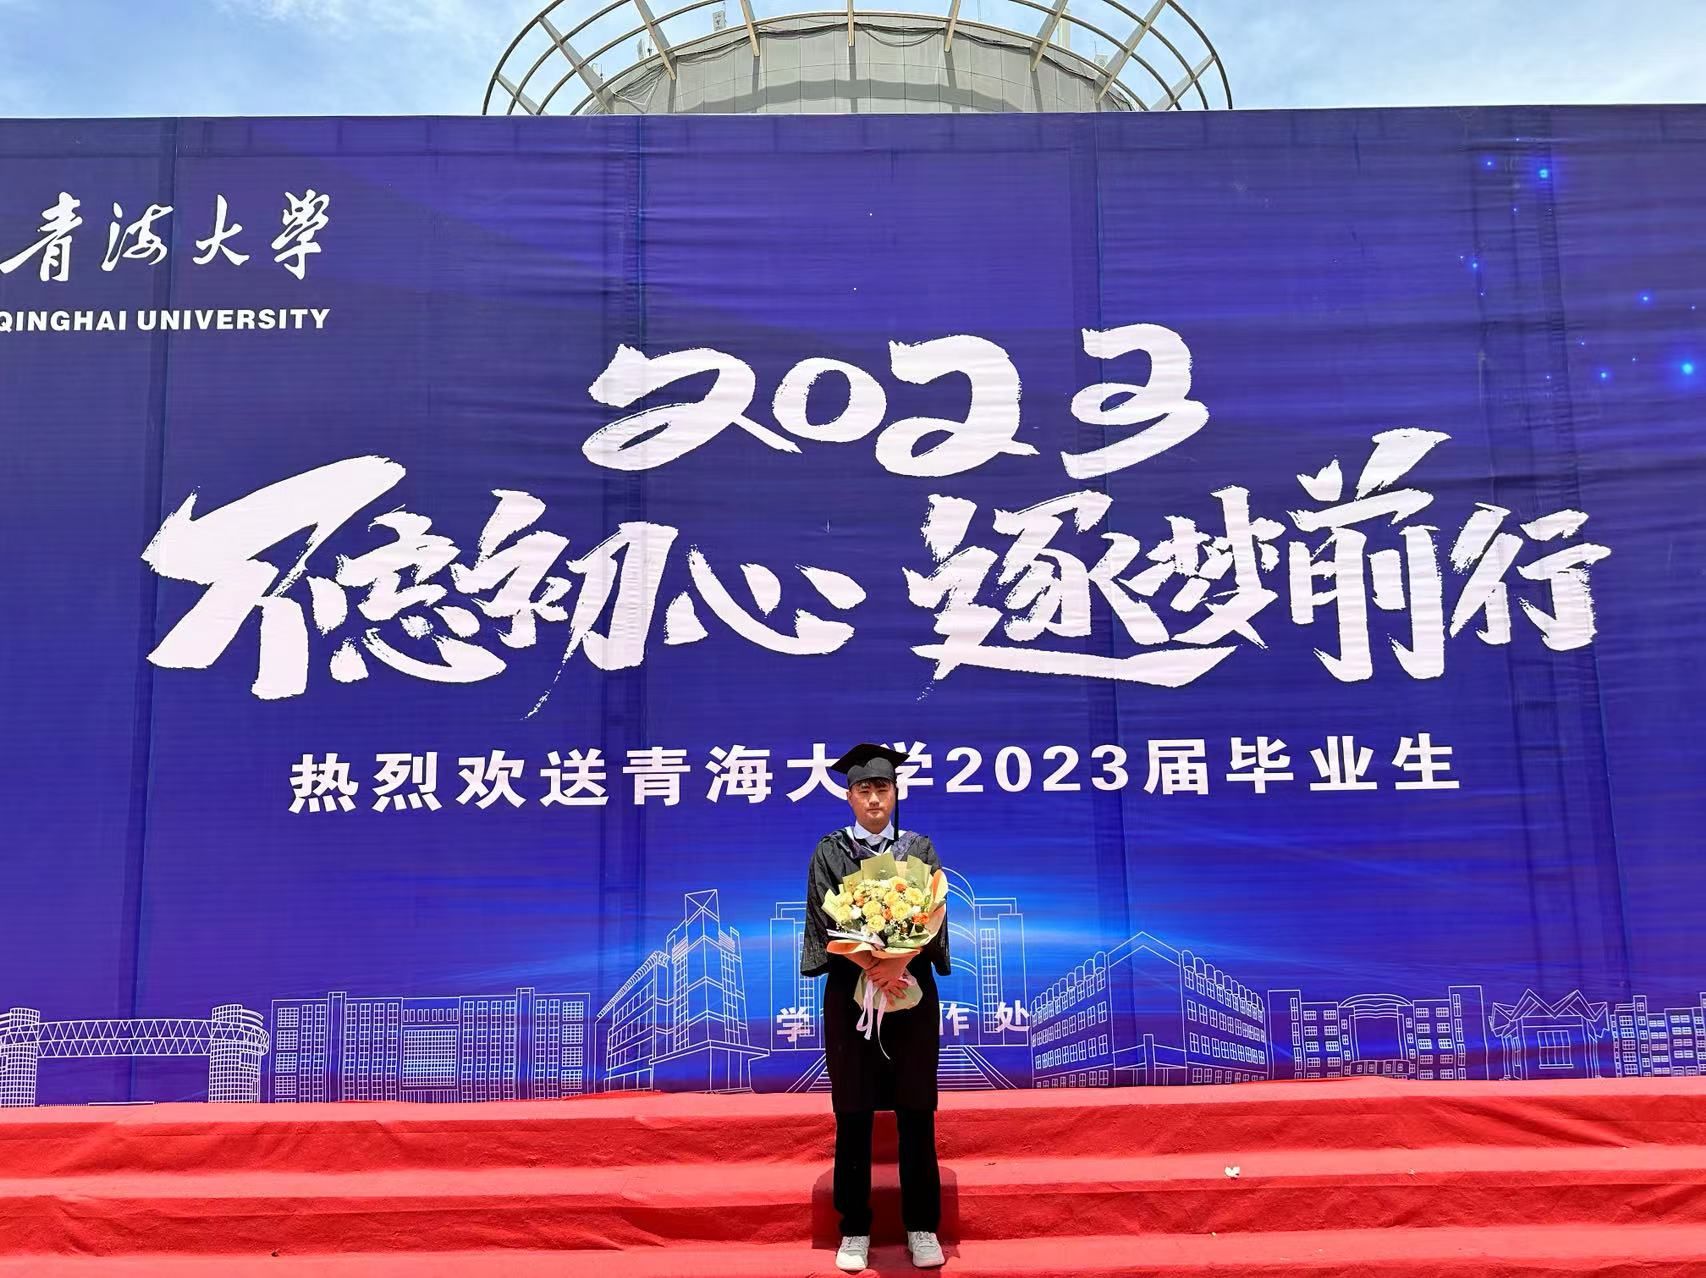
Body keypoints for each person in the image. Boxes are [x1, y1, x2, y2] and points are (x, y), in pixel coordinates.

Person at [802, 742, 949, 1272]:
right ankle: (855, 1229)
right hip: (852, 995)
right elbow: (825, 923)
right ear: (849, 796)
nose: (873, 799)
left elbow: (933, 914)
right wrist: (871, 965)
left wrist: (899, 960)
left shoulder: (919, 849)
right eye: (863, 789)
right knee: (853, 1110)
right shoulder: (830, 852)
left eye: (882, 788)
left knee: (916, 1109)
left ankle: (922, 1226)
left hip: (910, 991)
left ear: (895, 792)